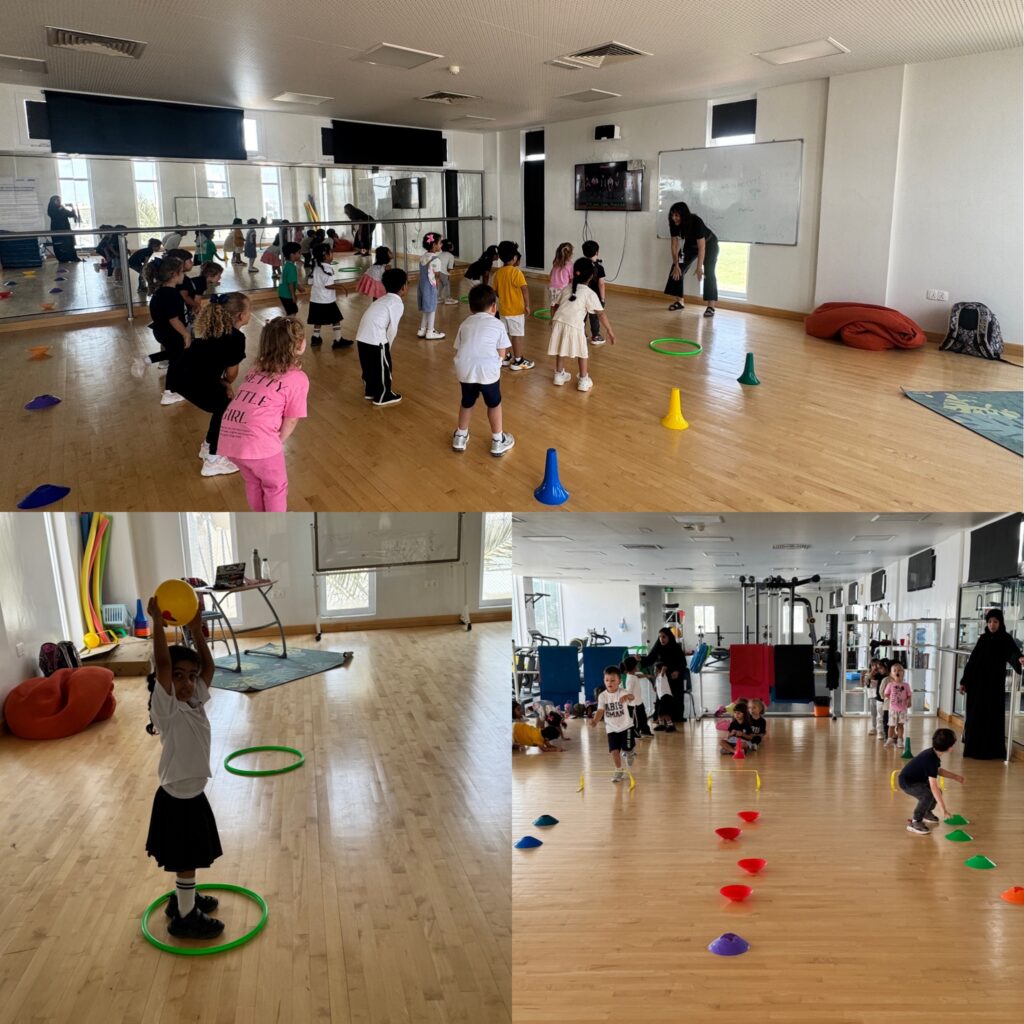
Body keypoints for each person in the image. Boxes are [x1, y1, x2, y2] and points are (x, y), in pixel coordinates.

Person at [144, 597, 224, 938]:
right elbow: (163, 663)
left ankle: (183, 898)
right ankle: (186, 917)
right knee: (188, 857)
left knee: (190, 854)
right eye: (178, 677)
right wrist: (157, 623)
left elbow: (209, 667)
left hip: (192, 791)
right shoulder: (166, 708)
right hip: (178, 797)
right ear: (164, 682)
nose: (188, 682)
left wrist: (196, 631)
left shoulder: (193, 700)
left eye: (191, 677)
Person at [217, 316, 309, 511]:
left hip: (229, 437)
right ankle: (276, 525)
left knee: (253, 482)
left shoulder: (255, 369)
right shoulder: (297, 378)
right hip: (258, 442)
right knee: (275, 487)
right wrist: (277, 442)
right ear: (300, 344)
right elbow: (292, 419)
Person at [174, 292, 250, 478]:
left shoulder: (212, 329)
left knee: (222, 405)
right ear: (241, 316)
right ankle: (213, 460)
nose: (250, 313)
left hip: (181, 376)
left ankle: (208, 445)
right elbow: (231, 373)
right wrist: (227, 384)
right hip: (195, 380)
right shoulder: (236, 338)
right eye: (249, 310)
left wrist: (223, 384)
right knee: (226, 407)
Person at [451, 284, 515, 457]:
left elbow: (459, 347)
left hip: (465, 370)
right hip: (488, 371)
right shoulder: (498, 324)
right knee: (494, 404)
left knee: (467, 402)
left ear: (471, 308)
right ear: (494, 307)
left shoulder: (465, 323)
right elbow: (502, 352)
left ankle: (460, 436)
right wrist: (497, 364)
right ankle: (498, 440)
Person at [959, 608, 1024, 759]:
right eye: (989, 622)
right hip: (976, 685)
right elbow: (973, 661)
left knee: (991, 717)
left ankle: (991, 751)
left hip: (993, 686)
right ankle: (973, 749)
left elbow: (1014, 653)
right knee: (975, 716)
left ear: (1000, 623)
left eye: (995, 622)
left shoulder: (1005, 639)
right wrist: (964, 681)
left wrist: (1020, 658)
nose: (992, 625)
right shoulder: (983, 639)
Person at [548, 257, 615, 392]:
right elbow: (601, 314)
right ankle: (583, 380)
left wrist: (552, 318)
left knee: (561, 348)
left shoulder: (567, 288)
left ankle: (559, 375)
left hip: (559, 322)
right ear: (591, 277)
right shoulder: (589, 293)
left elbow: (555, 305)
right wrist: (609, 330)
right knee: (582, 352)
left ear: (574, 273)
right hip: (574, 326)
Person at [138, 255, 190, 406]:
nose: (184, 275)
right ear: (174, 275)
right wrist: (186, 334)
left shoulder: (161, 291)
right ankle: (169, 393)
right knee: (176, 360)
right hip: (171, 332)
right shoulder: (170, 295)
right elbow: (173, 319)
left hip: (162, 332)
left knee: (175, 353)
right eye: (182, 272)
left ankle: (146, 360)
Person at [354, 267, 408, 407]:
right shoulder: (396, 302)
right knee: (383, 368)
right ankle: (384, 395)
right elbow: (392, 328)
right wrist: (387, 346)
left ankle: (371, 391)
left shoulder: (382, 299)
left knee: (369, 367)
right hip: (376, 339)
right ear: (403, 287)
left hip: (362, 337)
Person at [898, 727, 964, 835]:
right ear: (949, 748)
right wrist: (943, 808)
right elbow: (933, 786)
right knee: (927, 795)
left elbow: (937, 770)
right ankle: (915, 821)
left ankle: (926, 812)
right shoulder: (930, 759)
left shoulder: (933, 754)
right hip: (908, 782)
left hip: (917, 779)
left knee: (937, 792)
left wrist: (955, 776)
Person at [664, 201, 720, 317]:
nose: (674, 218)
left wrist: (699, 267)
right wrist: (676, 264)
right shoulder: (674, 223)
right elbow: (674, 246)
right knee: (677, 268)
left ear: (683, 215)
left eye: (676, 215)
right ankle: (679, 302)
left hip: (709, 244)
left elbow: (702, 247)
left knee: (709, 272)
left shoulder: (696, 221)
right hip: (690, 246)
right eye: (672, 215)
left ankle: (711, 306)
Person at [589, 666, 638, 782]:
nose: (609, 683)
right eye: (606, 680)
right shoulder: (602, 696)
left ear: (619, 681)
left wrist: (627, 696)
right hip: (611, 728)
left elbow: (632, 697)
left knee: (627, 748)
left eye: (612, 680)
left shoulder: (622, 692)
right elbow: (600, 711)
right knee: (614, 750)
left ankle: (630, 752)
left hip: (626, 727)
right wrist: (595, 721)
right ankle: (618, 770)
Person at [491, 240, 533, 370]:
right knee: (517, 336)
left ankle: (506, 357)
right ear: (514, 258)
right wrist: (527, 305)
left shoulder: (498, 273)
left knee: (505, 335)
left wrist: (502, 296)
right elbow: (524, 289)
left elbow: (494, 291)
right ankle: (518, 360)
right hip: (516, 311)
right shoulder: (516, 272)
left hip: (503, 311)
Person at [307, 244, 352, 349]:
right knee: (336, 319)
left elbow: (310, 282)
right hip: (327, 301)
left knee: (317, 320)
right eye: (331, 253)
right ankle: (338, 340)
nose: (332, 254)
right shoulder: (327, 269)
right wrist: (341, 287)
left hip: (315, 299)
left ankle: (315, 338)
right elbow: (328, 285)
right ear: (325, 256)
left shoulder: (316, 267)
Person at [640, 628, 689, 721]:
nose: (661, 639)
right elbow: (649, 659)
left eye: (664, 637)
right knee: (662, 698)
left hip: (674, 679)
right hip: (663, 679)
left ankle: (675, 717)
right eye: (660, 637)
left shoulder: (676, 648)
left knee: (675, 697)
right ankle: (661, 718)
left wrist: (677, 671)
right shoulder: (658, 647)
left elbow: (682, 663)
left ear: (669, 637)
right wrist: (640, 659)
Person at [416, 232, 447, 341]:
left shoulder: (423, 256)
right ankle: (430, 331)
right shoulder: (436, 259)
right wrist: (437, 287)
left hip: (422, 286)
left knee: (426, 308)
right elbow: (437, 276)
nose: (441, 245)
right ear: (434, 245)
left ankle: (422, 329)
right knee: (432, 309)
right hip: (430, 287)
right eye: (440, 243)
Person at [580, 240, 607, 344]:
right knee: (594, 316)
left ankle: (581, 333)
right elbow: (601, 284)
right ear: (597, 252)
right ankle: (595, 336)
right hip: (594, 297)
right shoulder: (599, 268)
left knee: (582, 314)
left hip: (582, 295)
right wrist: (602, 299)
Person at [621, 656, 654, 737]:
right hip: (634, 704)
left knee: (643, 717)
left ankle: (645, 730)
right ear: (634, 667)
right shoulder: (630, 679)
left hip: (639, 702)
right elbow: (629, 692)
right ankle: (635, 732)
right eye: (637, 664)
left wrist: (647, 675)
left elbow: (638, 675)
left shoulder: (633, 675)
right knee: (637, 720)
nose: (638, 666)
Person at [883, 663, 912, 748]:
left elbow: (909, 695)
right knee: (891, 725)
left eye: (899, 670)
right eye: (894, 671)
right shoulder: (890, 685)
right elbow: (886, 694)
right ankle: (889, 739)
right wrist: (891, 699)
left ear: (903, 673)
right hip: (893, 709)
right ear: (891, 674)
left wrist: (909, 701)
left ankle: (900, 740)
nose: (897, 672)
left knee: (900, 725)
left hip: (902, 709)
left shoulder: (906, 685)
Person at [47, 195, 81, 262]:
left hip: (66, 229)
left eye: (60, 200)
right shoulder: (51, 209)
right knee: (59, 244)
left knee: (69, 243)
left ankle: (72, 257)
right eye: (57, 200)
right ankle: (62, 259)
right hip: (56, 230)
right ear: (53, 201)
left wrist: (72, 207)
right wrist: (60, 209)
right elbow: (54, 215)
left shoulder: (62, 208)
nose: (59, 202)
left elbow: (71, 214)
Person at [278, 242, 304, 315]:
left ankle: (288, 322)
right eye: (299, 252)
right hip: (287, 294)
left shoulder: (287, 265)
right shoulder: (292, 267)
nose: (300, 254)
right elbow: (291, 283)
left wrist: (298, 287)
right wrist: (293, 295)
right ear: (292, 255)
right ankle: (288, 322)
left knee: (291, 312)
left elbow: (291, 280)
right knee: (292, 312)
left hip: (283, 293)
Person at [862, 658, 886, 736]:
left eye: (876, 665)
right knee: (873, 713)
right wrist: (872, 672)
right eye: (873, 665)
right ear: (870, 666)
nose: (875, 667)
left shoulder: (881, 675)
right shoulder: (868, 674)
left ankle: (881, 729)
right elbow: (866, 682)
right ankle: (874, 727)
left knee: (881, 713)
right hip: (872, 696)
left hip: (880, 697)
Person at [548, 241, 574, 307]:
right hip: (563, 290)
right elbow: (572, 279)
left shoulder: (555, 263)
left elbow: (550, 275)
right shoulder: (570, 265)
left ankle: (553, 314)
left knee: (553, 306)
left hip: (552, 289)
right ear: (570, 254)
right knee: (561, 307)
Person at [653, 663, 676, 731]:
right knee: (659, 713)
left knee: (665, 713)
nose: (655, 671)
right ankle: (662, 725)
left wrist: (663, 669)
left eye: (656, 670)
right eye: (654, 670)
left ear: (660, 670)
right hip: (661, 698)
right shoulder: (657, 678)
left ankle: (671, 725)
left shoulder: (662, 675)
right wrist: (655, 687)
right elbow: (655, 688)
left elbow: (663, 671)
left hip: (666, 697)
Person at [437, 239, 458, 304]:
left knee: (441, 284)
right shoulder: (451, 256)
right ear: (450, 248)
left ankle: (437, 298)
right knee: (446, 284)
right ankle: (448, 299)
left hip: (437, 272)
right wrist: (448, 275)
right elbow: (449, 268)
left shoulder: (439, 254)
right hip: (443, 272)